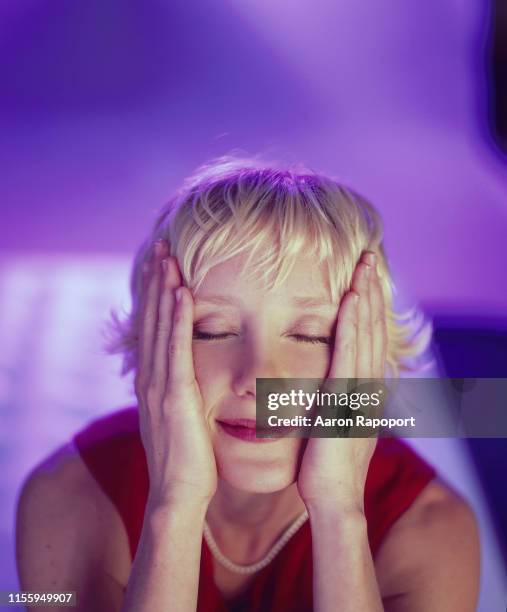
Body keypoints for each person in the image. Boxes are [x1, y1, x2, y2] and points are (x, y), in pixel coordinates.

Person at [16, 157, 480, 611]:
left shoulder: (432, 530)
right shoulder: (68, 498)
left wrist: (339, 513)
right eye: (213, 330)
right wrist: (174, 506)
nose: (258, 378)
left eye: (309, 334)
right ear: (152, 344)